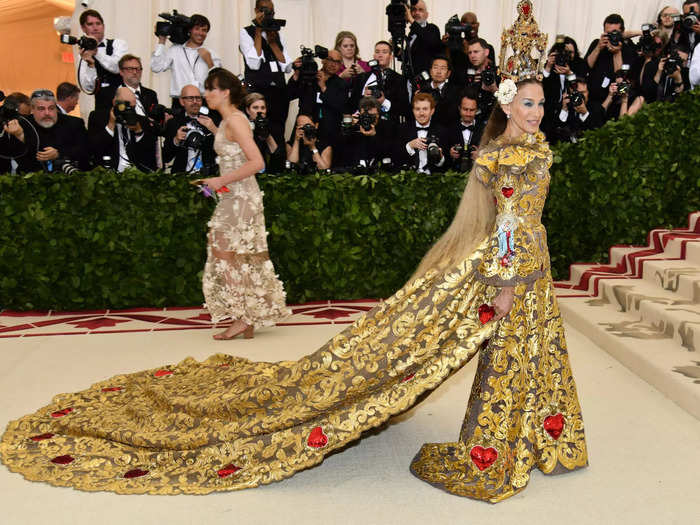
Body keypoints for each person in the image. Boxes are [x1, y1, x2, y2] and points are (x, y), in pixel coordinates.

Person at [0, 6, 588, 504]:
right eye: (527, 103)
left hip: (519, 263)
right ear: (508, 106)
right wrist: (506, 281)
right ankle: (505, 444)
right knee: (508, 351)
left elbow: (512, 223)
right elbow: (508, 223)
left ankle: (539, 433)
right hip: (511, 268)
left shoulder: (524, 152)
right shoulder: (514, 158)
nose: (535, 113)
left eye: (541, 103)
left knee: (530, 349)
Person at [198, 68, 290, 339]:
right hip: (233, 196)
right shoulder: (229, 121)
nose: (207, 94)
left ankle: (243, 317)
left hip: (241, 198)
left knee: (226, 254)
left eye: (210, 89)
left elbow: (257, 162)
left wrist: (220, 179)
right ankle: (244, 317)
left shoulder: (235, 120)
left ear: (224, 92)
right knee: (227, 254)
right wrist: (219, 181)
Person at [239, 0, 293, 137]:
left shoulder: (277, 34)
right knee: (257, 132)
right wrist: (258, 31)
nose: (268, 15)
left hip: (278, 92)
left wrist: (273, 42)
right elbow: (254, 64)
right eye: (264, 10)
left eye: (271, 12)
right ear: (257, 11)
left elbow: (286, 66)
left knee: (277, 132)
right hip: (258, 92)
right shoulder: (246, 32)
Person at [3, 89, 89, 173]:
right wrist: (20, 136)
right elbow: (14, 154)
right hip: (31, 179)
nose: (47, 113)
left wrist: (59, 153)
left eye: (51, 108)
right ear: (32, 109)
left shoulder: (74, 123)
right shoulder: (22, 124)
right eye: (41, 109)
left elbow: (85, 150)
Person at [151, 14, 221, 109]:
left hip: (203, 102)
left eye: (204, 30)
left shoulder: (211, 54)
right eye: (197, 29)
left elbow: (219, 83)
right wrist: (162, 41)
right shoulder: (175, 50)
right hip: (179, 103)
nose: (200, 33)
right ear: (189, 30)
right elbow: (156, 67)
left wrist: (209, 62)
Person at [287, 49, 347, 148]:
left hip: (328, 130)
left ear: (341, 65)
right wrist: (297, 73)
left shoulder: (341, 84)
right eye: (330, 60)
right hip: (305, 126)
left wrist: (323, 87)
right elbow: (289, 95)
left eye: (337, 62)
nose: (333, 64)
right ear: (323, 61)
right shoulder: (309, 76)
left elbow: (340, 106)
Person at [91, 87, 159, 172]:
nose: (129, 110)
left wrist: (139, 131)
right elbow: (94, 148)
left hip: (136, 174)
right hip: (109, 173)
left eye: (133, 107)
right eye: (126, 106)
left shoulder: (142, 120)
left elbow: (150, 154)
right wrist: (110, 126)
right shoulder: (98, 117)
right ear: (114, 103)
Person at [76, 9, 129, 115]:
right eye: (90, 24)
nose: (95, 28)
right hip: (101, 107)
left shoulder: (118, 44)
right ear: (83, 28)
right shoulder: (83, 54)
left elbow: (117, 67)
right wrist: (90, 65)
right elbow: (88, 88)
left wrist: (96, 52)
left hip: (124, 104)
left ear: (103, 26)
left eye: (98, 24)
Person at [348, 41, 410, 124]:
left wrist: (384, 101)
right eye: (377, 52)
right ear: (374, 56)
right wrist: (364, 99)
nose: (380, 55)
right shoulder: (361, 78)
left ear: (391, 57)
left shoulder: (399, 79)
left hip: (388, 127)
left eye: (384, 52)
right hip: (362, 125)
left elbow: (404, 108)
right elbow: (351, 104)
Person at [163, 85, 219, 174]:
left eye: (198, 98)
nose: (195, 102)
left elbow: (222, 150)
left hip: (208, 177)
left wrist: (214, 130)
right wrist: (176, 140)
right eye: (190, 98)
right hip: (182, 177)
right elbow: (166, 157)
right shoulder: (173, 123)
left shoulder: (211, 121)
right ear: (182, 101)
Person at [584, 14, 638, 103]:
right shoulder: (596, 43)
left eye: (615, 33)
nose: (612, 36)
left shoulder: (628, 50)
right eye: (608, 33)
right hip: (593, 97)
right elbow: (586, 67)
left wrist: (617, 53)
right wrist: (598, 48)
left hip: (614, 99)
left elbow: (621, 78)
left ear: (622, 32)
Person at [339, 95, 396, 170]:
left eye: (372, 115)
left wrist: (374, 136)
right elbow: (341, 151)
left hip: (380, 171)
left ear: (378, 114)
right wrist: (348, 127)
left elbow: (390, 153)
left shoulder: (388, 127)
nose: (367, 118)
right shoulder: (356, 126)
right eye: (365, 115)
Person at [397, 92, 449, 173]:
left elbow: (446, 166)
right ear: (413, 110)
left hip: (434, 180)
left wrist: (440, 157)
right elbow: (396, 158)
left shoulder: (442, 131)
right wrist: (410, 146)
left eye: (425, 109)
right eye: (417, 109)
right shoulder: (402, 129)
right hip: (408, 180)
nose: (421, 113)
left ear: (432, 111)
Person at [243, 92, 284, 172]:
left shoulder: (274, 128)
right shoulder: (241, 128)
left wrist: (267, 135)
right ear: (248, 110)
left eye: (262, 108)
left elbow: (278, 162)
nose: (259, 111)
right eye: (255, 108)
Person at [417, 56, 460, 128]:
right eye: (435, 67)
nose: (439, 72)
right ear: (430, 71)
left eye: (443, 68)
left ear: (448, 73)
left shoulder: (455, 92)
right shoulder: (422, 90)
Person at [448, 88, 484, 172]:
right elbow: (442, 160)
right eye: (465, 109)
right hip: (454, 176)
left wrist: (481, 157)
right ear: (459, 108)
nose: (468, 114)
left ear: (477, 110)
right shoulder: (449, 129)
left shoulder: (484, 130)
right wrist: (450, 154)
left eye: (472, 110)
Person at [404, 0, 442, 77]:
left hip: (425, 79)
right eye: (414, 10)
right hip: (409, 79)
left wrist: (411, 20)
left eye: (420, 10)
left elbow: (430, 42)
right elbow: (409, 58)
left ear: (427, 15)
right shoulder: (412, 33)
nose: (417, 13)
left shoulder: (432, 28)